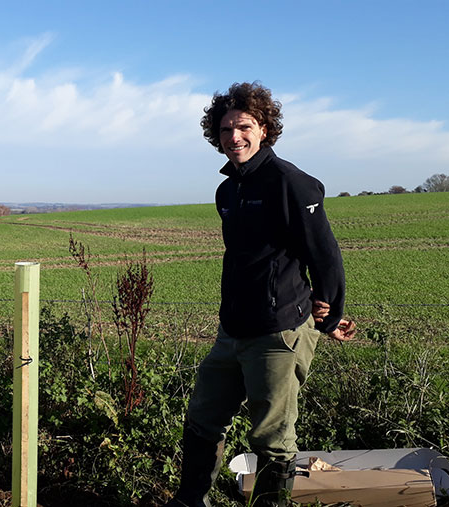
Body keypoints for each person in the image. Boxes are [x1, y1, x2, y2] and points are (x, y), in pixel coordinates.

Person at [164, 82, 356, 507]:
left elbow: (325, 255)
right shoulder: (227, 190)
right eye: (226, 129)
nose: (234, 136)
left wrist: (327, 314)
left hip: (277, 332)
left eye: (244, 126)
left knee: (271, 437)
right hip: (232, 329)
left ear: (265, 129)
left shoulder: (292, 184)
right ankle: (190, 501)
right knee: (202, 419)